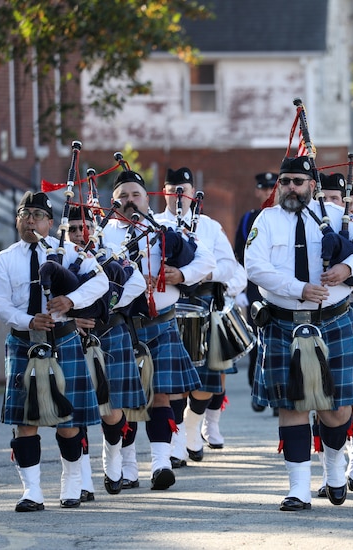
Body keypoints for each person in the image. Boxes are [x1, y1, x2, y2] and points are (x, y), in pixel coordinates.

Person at [244, 156, 353, 511]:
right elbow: (255, 266)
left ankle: (334, 469)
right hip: (283, 322)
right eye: (286, 181)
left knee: (335, 411)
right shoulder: (267, 220)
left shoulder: (336, 216)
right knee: (291, 407)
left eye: (298, 181)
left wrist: (346, 267)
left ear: (311, 185)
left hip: (334, 321)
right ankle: (297, 490)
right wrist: (298, 288)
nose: (292, 187)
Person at [0, 191, 110, 511]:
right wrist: (29, 319)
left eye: (38, 215)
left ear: (51, 223)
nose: (30, 220)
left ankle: (71, 482)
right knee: (25, 422)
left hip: (63, 339)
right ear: (17, 220)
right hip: (25, 342)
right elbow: (0, 307)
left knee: (68, 422)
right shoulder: (3, 259)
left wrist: (70, 301)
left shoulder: (68, 253)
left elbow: (100, 283)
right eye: (25, 214)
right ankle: (32, 491)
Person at [104, 169, 215, 491]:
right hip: (120, 327)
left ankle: (160, 463)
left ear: (146, 197)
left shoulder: (165, 228)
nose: (129, 201)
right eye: (123, 196)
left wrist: (179, 275)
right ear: (113, 201)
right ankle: (126, 466)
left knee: (160, 396)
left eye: (135, 194)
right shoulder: (103, 234)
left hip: (161, 322)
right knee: (123, 400)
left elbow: (205, 261)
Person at [155, 167, 247, 465]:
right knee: (172, 383)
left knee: (206, 382)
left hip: (205, 303)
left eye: (184, 190)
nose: (179, 196)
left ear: (193, 194)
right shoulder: (153, 225)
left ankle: (193, 425)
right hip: (169, 306)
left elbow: (230, 267)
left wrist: (200, 272)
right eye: (173, 190)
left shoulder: (208, 226)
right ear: (165, 192)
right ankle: (177, 439)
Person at [64, 206, 149, 496]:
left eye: (83, 227)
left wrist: (105, 306)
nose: (78, 234)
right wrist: (71, 318)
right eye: (72, 229)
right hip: (70, 337)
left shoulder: (111, 252)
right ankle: (83, 480)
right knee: (77, 412)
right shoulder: (57, 256)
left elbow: (136, 282)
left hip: (110, 332)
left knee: (111, 410)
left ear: (94, 228)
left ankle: (113, 457)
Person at [235, 172, 277, 412]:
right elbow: (239, 255)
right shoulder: (248, 219)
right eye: (264, 189)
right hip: (254, 290)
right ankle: (257, 388)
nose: (267, 193)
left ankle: (279, 396)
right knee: (258, 342)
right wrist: (240, 288)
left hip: (282, 289)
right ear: (258, 192)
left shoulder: (285, 218)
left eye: (272, 188)